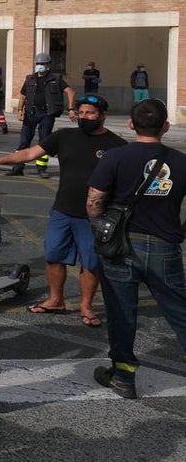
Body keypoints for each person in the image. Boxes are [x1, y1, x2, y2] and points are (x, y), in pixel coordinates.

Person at [0, 95, 126, 326]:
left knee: (91, 263)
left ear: (103, 115)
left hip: (94, 217)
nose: (84, 117)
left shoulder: (117, 145)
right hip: (62, 211)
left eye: (90, 113)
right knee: (53, 256)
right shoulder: (64, 136)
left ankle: (86, 306)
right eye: (81, 113)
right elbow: (29, 154)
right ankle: (55, 300)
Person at [86, 99, 186, 399]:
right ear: (165, 126)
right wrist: (180, 231)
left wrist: (101, 228)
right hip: (165, 246)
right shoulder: (181, 161)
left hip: (122, 245)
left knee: (121, 313)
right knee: (180, 310)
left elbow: (94, 201)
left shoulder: (115, 157)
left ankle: (123, 377)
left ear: (131, 124)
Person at [9, 53, 76, 178]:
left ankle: (41, 169)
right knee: (24, 141)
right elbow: (23, 96)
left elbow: (70, 91)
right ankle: (18, 168)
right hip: (30, 113)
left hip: (47, 113)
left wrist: (71, 109)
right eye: (38, 64)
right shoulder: (30, 79)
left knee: (44, 142)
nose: (40, 66)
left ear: (48, 65)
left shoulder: (56, 79)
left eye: (42, 64)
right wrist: (20, 110)